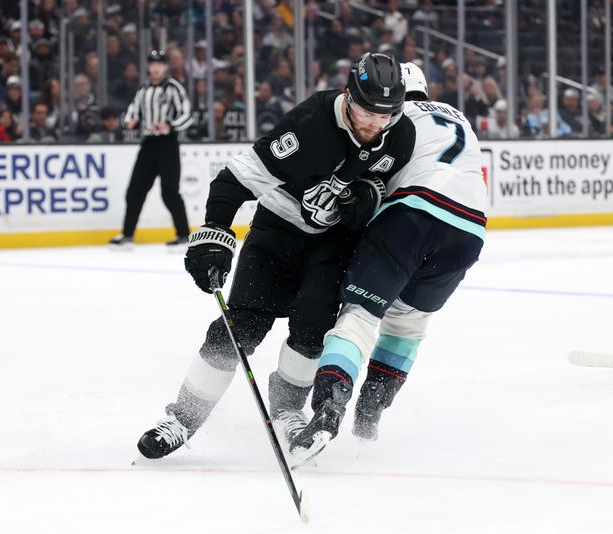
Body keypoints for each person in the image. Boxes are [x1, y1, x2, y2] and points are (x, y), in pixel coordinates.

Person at [135, 53, 416, 460]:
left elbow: (392, 193)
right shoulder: (312, 123)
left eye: (384, 116)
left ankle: (287, 409)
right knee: (238, 328)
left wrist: (370, 197)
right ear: (347, 95)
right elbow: (238, 177)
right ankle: (183, 418)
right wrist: (214, 233)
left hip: (333, 243)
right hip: (278, 230)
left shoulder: (401, 136)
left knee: (311, 333)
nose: (373, 124)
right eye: (365, 111)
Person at [289, 62, 486, 464]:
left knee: (360, 313)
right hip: (470, 230)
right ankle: (369, 413)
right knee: (409, 323)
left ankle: (329, 406)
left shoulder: (396, 121)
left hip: (413, 212)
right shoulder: (458, 116)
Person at [109, 50, 193, 248]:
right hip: (148, 144)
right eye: (152, 64)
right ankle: (127, 235)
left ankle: (183, 235)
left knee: (170, 192)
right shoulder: (144, 89)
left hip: (168, 145)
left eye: (160, 64)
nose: (156, 68)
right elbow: (133, 111)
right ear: (148, 66)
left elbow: (187, 114)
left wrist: (170, 125)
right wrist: (130, 121)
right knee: (135, 191)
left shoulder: (173, 88)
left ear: (165, 67)